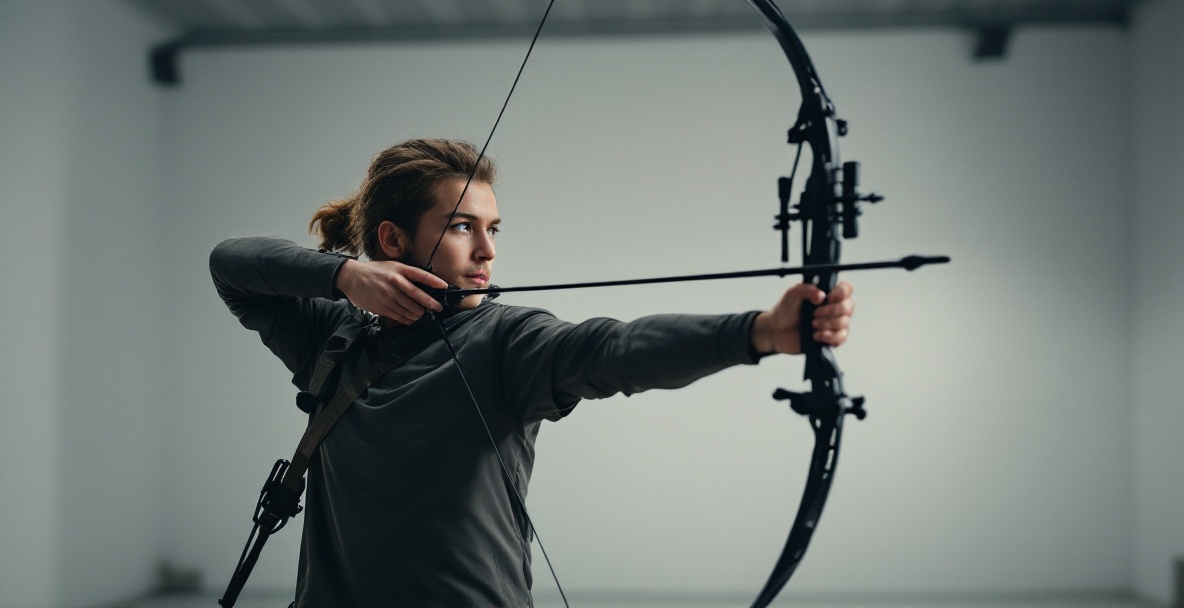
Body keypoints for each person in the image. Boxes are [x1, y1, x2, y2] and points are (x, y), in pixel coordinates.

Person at [209, 138, 855, 607]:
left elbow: (615, 350)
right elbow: (229, 264)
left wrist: (759, 333)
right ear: (392, 241)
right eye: (463, 227)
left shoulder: (506, 340)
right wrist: (342, 276)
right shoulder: (333, 335)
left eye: (493, 228)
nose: (488, 250)